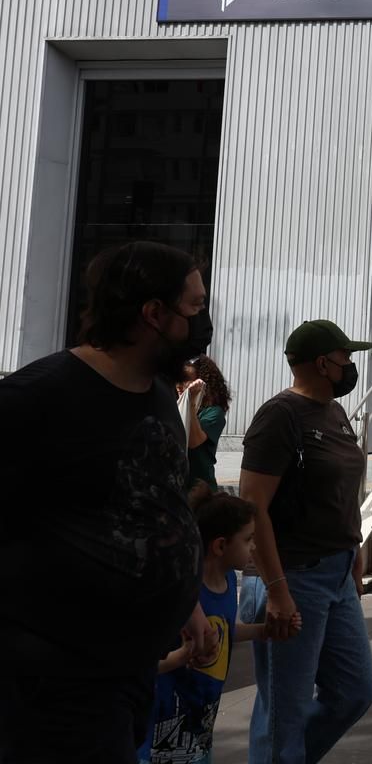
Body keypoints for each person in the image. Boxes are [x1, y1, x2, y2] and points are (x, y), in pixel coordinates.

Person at [0, 241, 213, 762]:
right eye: (195, 306)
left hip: (130, 668)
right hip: (57, 682)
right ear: (153, 314)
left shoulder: (158, 392)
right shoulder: (36, 399)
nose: (204, 320)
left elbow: (159, 503)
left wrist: (187, 602)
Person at [239, 319, 372, 764]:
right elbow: (252, 506)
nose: (351, 366)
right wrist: (277, 590)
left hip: (336, 574)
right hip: (293, 578)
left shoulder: (334, 412)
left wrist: (354, 549)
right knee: (285, 714)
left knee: (354, 692)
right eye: (345, 359)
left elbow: (344, 487)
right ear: (323, 363)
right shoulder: (279, 416)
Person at [140, 492, 274, 764]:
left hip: (200, 730)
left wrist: (263, 631)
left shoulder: (225, 585)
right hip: (158, 742)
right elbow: (140, 663)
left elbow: (224, 630)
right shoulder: (185, 598)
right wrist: (181, 656)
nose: (254, 547)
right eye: (248, 539)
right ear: (221, 546)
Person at [177, 353, 231, 500]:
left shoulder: (214, 413)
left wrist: (191, 402)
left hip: (200, 489)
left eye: (186, 380)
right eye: (178, 379)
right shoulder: (176, 404)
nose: (180, 385)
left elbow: (194, 441)